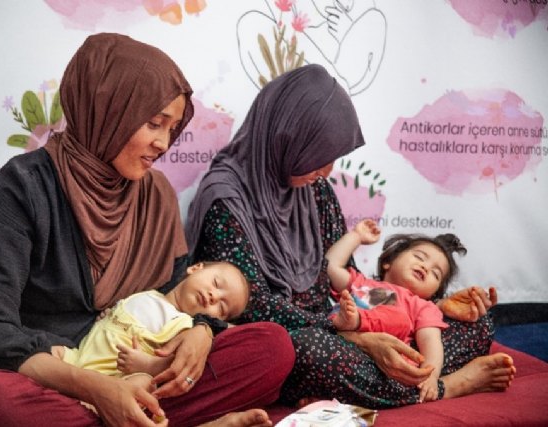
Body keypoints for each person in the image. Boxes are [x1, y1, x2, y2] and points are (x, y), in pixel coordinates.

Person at [0, 33, 294, 427]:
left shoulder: (156, 196)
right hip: (45, 376)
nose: (163, 143)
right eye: (153, 123)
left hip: (134, 373)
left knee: (272, 347)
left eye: (172, 128)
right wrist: (95, 389)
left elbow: (178, 288)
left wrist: (202, 330)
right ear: (107, 109)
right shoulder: (21, 187)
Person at [185, 63, 515, 410]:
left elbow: (352, 288)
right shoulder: (227, 201)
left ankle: (389, 381)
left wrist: (421, 311)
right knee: (305, 353)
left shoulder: (316, 192)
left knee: (477, 324)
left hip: (347, 322)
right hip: (297, 338)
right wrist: (356, 338)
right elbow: (252, 306)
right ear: (285, 137)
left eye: (331, 160)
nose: (326, 172)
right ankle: (447, 385)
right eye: (317, 157)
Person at [328, 219, 475, 402]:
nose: (425, 267)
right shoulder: (362, 283)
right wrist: (356, 236)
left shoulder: (422, 306)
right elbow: (330, 267)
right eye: (419, 257)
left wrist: (431, 377)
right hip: (342, 348)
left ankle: (356, 321)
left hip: (379, 367)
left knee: (400, 319)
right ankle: (324, 396)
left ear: (434, 292)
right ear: (388, 262)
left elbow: (431, 343)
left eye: (436, 274)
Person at [54, 261, 249, 387]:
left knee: (144, 383)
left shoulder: (184, 326)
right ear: (195, 268)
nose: (214, 296)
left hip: (114, 378)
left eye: (222, 308)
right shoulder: (150, 293)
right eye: (215, 283)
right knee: (45, 352)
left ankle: (91, 408)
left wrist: (147, 365)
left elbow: (174, 365)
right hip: (79, 356)